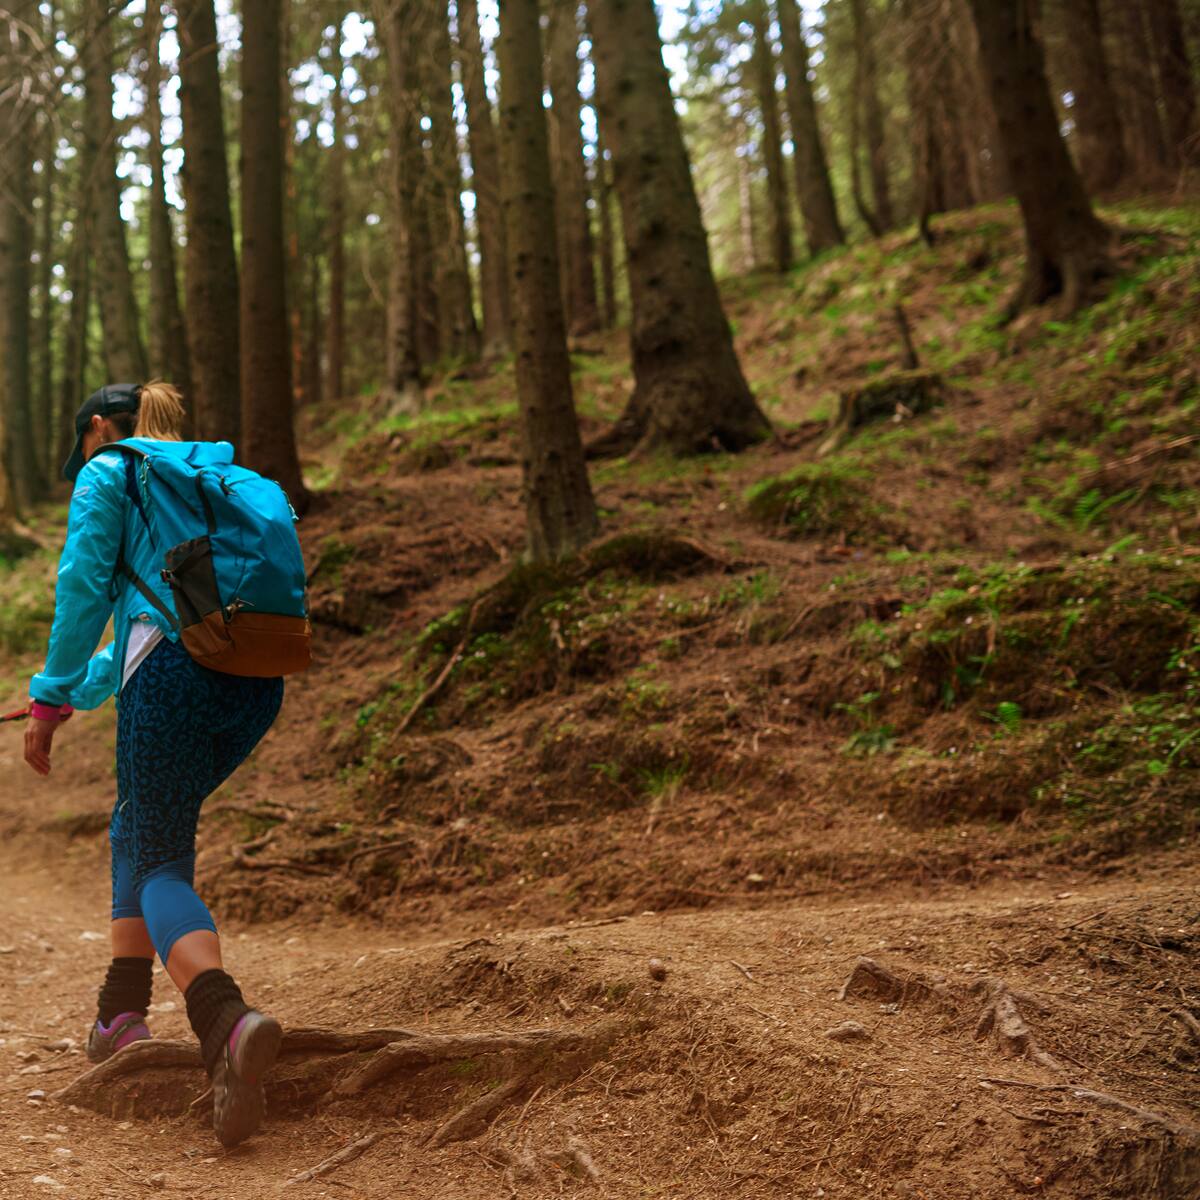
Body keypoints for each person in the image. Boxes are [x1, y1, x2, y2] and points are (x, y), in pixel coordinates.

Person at [25, 382, 284, 1149]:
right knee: (139, 823)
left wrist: (47, 698)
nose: (86, 460)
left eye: (85, 447)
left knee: (159, 855)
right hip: (253, 681)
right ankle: (120, 1013)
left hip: (170, 682)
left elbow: (82, 590)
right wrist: (81, 691)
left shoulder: (114, 470)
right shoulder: (214, 475)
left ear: (101, 429)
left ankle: (224, 1021)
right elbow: (165, 611)